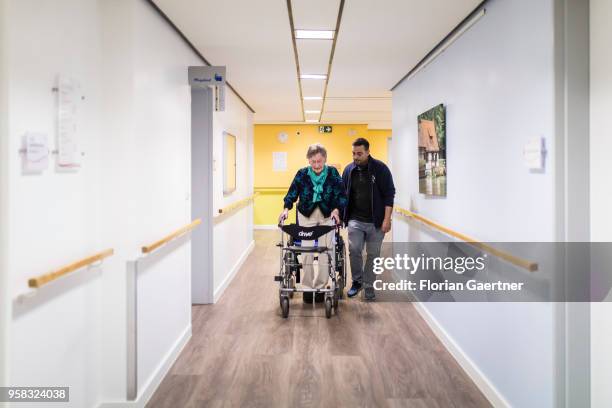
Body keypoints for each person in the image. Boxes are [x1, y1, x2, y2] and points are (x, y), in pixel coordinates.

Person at [279, 144, 347, 303]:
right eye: (313, 161)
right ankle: (308, 288)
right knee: (307, 252)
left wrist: (336, 210)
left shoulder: (332, 173)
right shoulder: (302, 174)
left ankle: (321, 286)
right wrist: (286, 209)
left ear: (325, 160)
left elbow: (341, 195)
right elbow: (292, 193)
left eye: (320, 161)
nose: (317, 165)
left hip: (327, 215)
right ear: (308, 160)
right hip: (306, 216)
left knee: (326, 252)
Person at [342, 138, 395, 301]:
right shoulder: (349, 170)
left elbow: (389, 194)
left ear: (367, 152)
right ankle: (357, 282)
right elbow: (342, 194)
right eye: (353, 153)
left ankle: (369, 285)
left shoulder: (380, 169)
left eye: (359, 153)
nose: (355, 157)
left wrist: (387, 219)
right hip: (355, 220)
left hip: (376, 221)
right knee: (355, 249)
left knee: (373, 254)